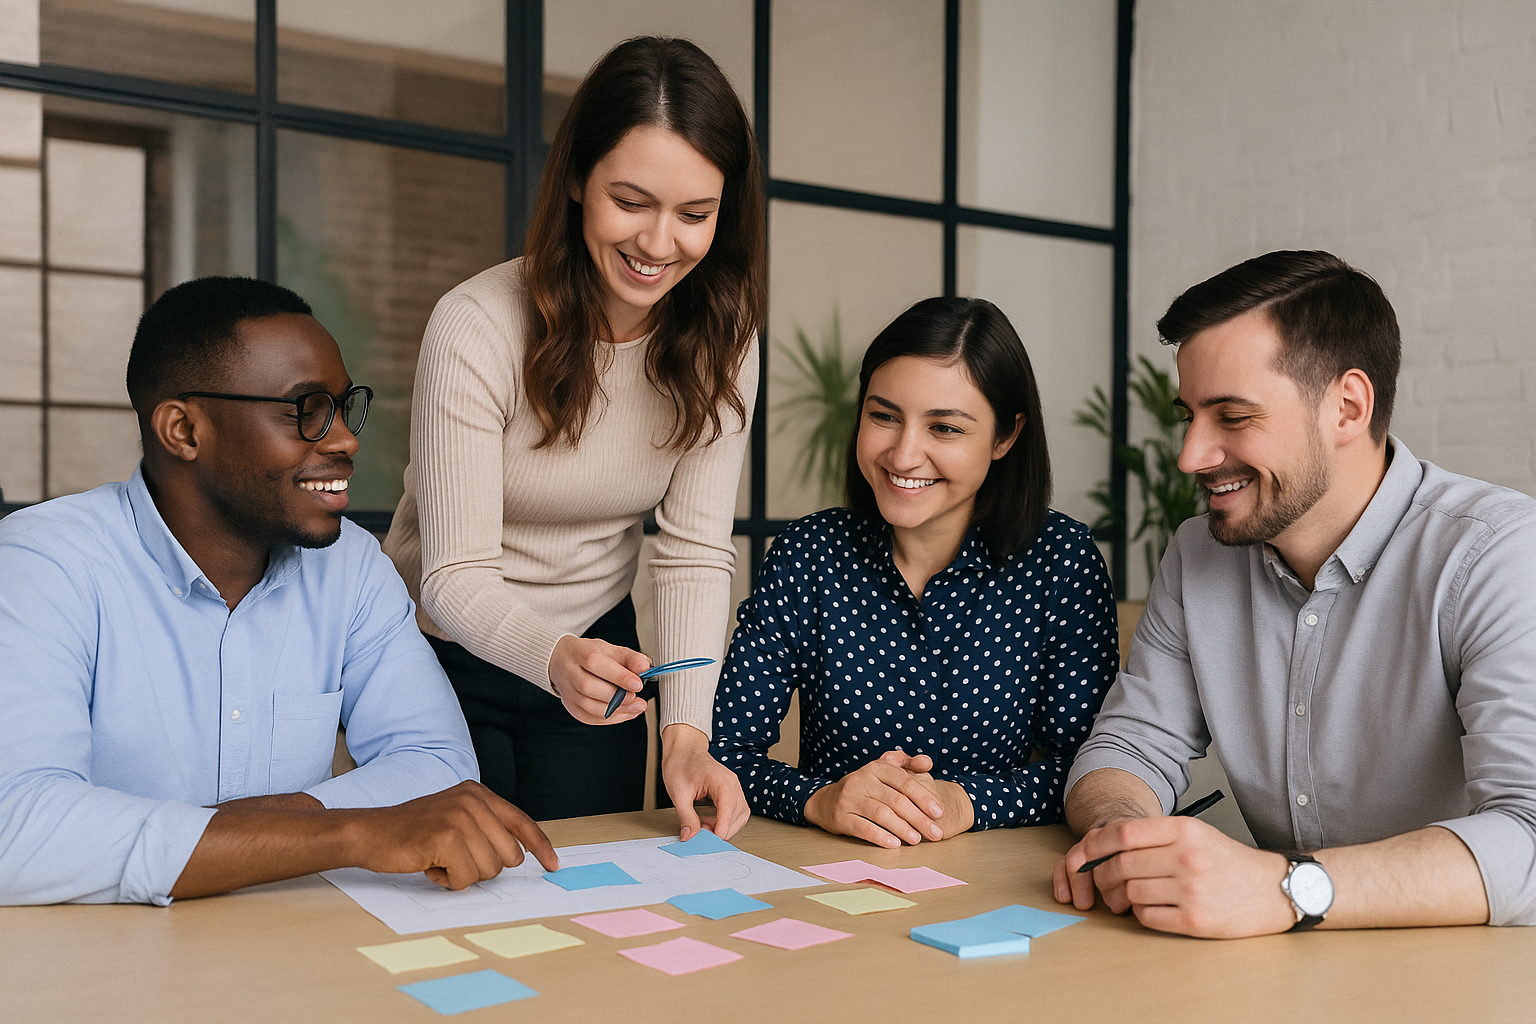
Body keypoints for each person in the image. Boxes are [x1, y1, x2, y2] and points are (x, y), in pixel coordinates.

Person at [0, 277, 557, 906]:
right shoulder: (42, 564)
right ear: (183, 430)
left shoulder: (351, 567)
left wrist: (235, 837)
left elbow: (438, 764)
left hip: (292, 938)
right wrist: (346, 831)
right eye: (306, 410)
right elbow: (15, 830)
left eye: (345, 407)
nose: (345, 438)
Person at [1054, 250, 1536, 935]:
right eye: (1189, 414)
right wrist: (1127, 837)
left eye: (1233, 416)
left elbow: (1531, 838)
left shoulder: (1499, 554)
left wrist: (1288, 889)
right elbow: (1131, 745)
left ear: (1347, 407)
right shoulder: (1198, 555)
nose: (1191, 455)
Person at [383, 37, 762, 838]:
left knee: (594, 897)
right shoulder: (476, 326)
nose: (660, 245)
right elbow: (451, 576)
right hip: (443, 652)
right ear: (580, 183)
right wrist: (549, 655)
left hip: (599, 654)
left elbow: (693, 552)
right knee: (456, 897)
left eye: (694, 215)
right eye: (632, 202)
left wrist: (685, 730)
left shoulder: (725, 341)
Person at [711, 297, 1118, 848]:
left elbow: (1093, 768)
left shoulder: (1061, 561)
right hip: (829, 873)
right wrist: (819, 799)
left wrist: (968, 802)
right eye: (884, 416)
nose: (903, 456)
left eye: (945, 429)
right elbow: (725, 754)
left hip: (997, 878)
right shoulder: (809, 553)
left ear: (1005, 436)